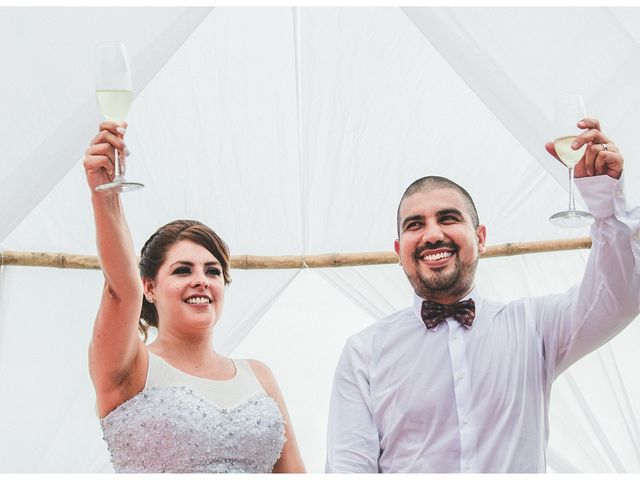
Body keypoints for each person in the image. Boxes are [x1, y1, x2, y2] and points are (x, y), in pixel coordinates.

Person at [325, 118, 640, 473]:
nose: (432, 235)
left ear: (481, 238)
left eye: (448, 218)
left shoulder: (534, 327)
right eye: (415, 224)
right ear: (399, 251)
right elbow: (348, 469)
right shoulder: (364, 353)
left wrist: (606, 202)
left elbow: (619, 298)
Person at [84, 121, 305, 473]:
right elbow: (118, 288)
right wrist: (105, 197)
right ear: (150, 287)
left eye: (213, 271)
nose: (201, 280)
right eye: (182, 270)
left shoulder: (258, 376)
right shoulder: (131, 367)